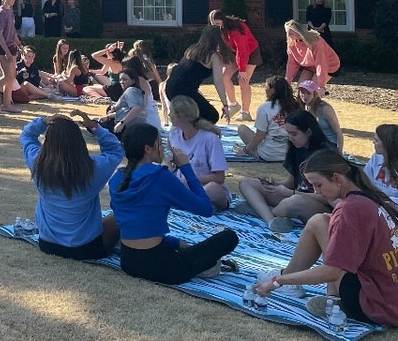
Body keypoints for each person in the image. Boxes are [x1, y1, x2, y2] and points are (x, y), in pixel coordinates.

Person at [254, 150, 398, 328]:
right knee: (322, 220)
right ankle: (330, 297)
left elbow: (332, 271)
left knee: (319, 222)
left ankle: (292, 281)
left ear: (337, 178)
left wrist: (277, 282)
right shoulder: (375, 197)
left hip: (375, 307)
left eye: (318, 185)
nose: (316, 191)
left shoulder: (350, 209)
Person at [108, 123, 239, 285]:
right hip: (164, 268)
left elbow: (137, 225)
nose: (162, 148)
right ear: (148, 149)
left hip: (128, 260)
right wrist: (186, 167)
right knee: (229, 237)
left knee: (177, 244)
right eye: (159, 144)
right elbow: (205, 208)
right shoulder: (160, 177)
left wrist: (177, 243)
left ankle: (182, 249)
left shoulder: (116, 178)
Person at [21, 110, 123, 259]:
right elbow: (115, 150)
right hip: (87, 248)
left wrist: (43, 121)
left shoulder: (38, 164)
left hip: (48, 244)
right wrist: (94, 126)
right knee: (121, 214)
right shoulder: (94, 168)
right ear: (79, 141)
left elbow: (27, 135)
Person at [236, 109, 335, 232]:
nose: (290, 138)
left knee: (294, 202)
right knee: (246, 183)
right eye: (288, 133)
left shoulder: (327, 153)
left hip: (320, 205)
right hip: (294, 196)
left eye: (294, 134)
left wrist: (289, 193)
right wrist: (274, 186)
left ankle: (261, 210)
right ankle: (271, 220)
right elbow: (291, 183)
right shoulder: (295, 148)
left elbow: (331, 198)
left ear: (309, 132)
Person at [166, 96, 229, 210]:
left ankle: (189, 203)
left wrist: (190, 180)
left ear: (180, 116)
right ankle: (193, 204)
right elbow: (169, 161)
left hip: (206, 188)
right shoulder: (174, 134)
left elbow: (219, 178)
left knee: (212, 189)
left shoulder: (210, 139)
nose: (169, 115)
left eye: (171, 112)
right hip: (184, 188)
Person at [163, 25, 233, 124]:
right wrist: (225, 104)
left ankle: (187, 130)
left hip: (170, 88)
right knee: (211, 116)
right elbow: (218, 82)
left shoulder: (192, 49)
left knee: (192, 115)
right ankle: (194, 134)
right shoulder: (212, 56)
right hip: (184, 91)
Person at [209, 10, 261, 121]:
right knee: (224, 76)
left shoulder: (236, 29)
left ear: (223, 20)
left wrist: (242, 69)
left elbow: (243, 50)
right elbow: (219, 45)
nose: (215, 27)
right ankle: (233, 104)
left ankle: (245, 112)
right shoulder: (219, 30)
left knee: (243, 80)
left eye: (217, 24)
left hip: (250, 52)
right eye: (213, 24)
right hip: (234, 52)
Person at [236, 76, 295, 162]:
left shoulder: (265, 107)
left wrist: (245, 150)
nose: (264, 90)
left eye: (266, 87)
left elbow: (260, 135)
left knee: (242, 129)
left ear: (273, 90)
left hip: (269, 155)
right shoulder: (296, 106)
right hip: (291, 154)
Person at [364, 123, 398, 209]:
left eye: (376, 140)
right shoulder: (377, 157)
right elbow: (364, 183)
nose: (373, 142)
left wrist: (393, 202)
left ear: (387, 144)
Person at [284, 20, 340, 94]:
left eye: (291, 33)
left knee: (311, 90)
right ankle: (302, 105)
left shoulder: (316, 41)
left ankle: (316, 103)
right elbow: (292, 63)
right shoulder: (292, 43)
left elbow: (321, 63)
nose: (288, 35)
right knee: (301, 89)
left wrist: (321, 86)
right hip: (310, 66)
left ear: (298, 31)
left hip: (329, 65)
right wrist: (287, 81)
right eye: (287, 33)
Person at [107, 69, 160, 134]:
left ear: (133, 80)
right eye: (120, 80)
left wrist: (121, 123)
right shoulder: (131, 90)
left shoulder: (132, 91)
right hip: (136, 122)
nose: (121, 82)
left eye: (125, 79)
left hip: (135, 126)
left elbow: (137, 109)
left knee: (96, 126)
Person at [298, 80, 344, 153]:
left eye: (308, 93)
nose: (304, 96)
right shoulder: (306, 106)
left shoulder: (325, 109)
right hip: (316, 142)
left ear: (315, 94)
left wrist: (339, 152)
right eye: (302, 92)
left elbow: (338, 133)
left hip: (329, 144)